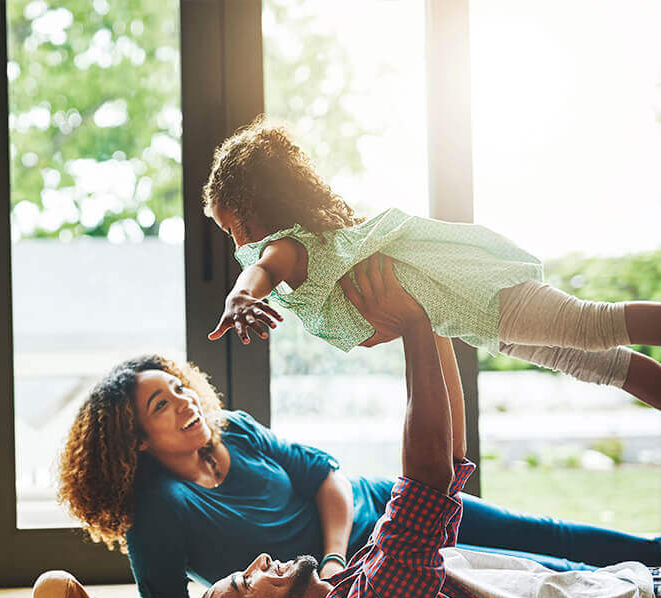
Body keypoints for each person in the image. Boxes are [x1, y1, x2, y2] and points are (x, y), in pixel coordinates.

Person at [57, 257, 661, 598]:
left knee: (549, 535)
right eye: (161, 405)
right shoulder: (158, 508)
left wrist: (331, 557)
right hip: (368, 584)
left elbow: (327, 477)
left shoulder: (233, 430)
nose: (186, 401)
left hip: (386, 511)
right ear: (134, 438)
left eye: (180, 387)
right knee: (537, 580)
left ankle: (655, 556)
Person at [197, 260, 661, 598]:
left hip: (628, 595)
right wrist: (413, 326)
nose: (259, 561)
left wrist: (432, 322)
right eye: (245, 581)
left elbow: (449, 465)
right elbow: (426, 484)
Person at [203, 116, 661, 409]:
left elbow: (260, 270)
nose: (237, 244)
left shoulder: (289, 248)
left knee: (593, 326)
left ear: (258, 207)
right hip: (474, 316)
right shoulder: (326, 242)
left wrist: (240, 297)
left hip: (480, 294)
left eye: (233, 229)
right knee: (601, 364)